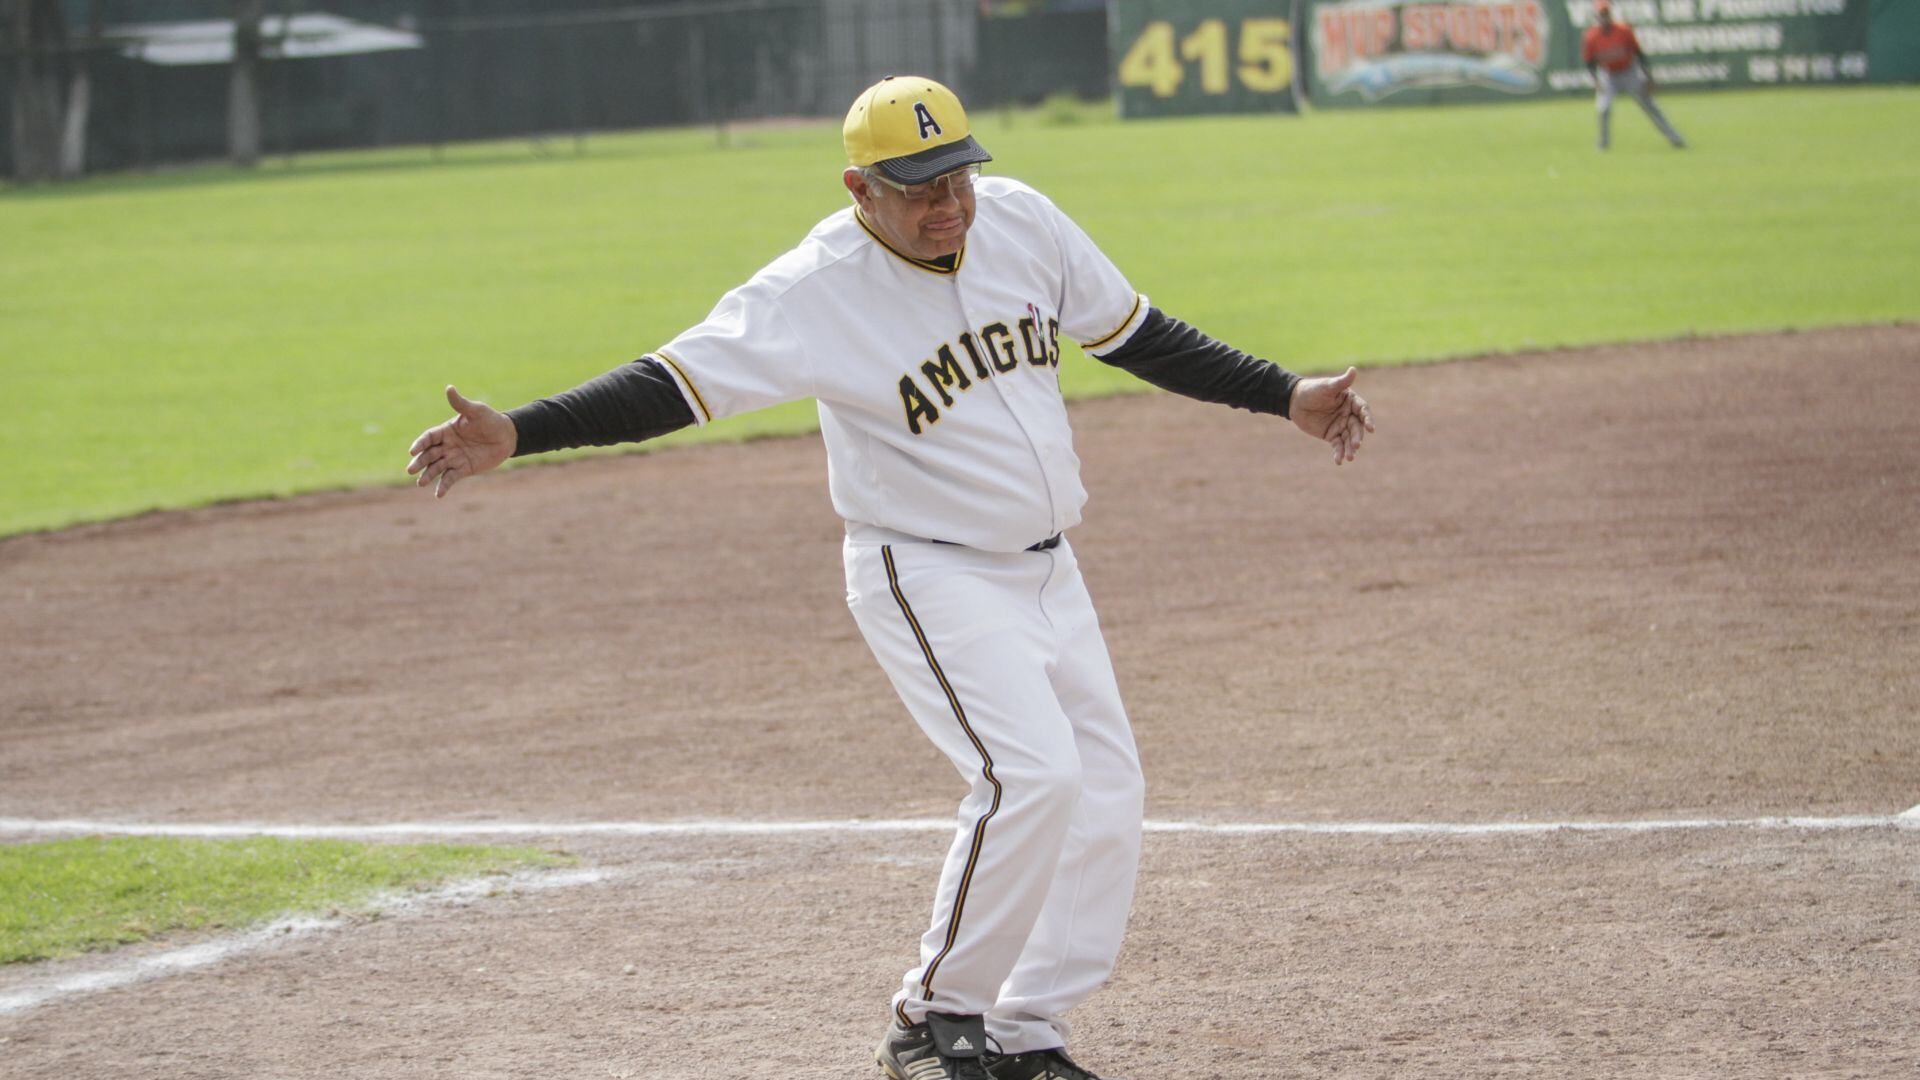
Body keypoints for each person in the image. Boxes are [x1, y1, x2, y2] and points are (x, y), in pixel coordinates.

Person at [406, 75, 1373, 1080]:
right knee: (1030, 776)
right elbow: (670, 384)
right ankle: (929, 1019)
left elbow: (1138, 335)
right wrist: (520, 432)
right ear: (859, 187)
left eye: (956, 175)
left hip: (1051, 569)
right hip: (930, 572)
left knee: (1105, 795)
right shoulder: (811, 292)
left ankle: (1024, 1028)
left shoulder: (1025, 223)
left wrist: (1283, 394)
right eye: (916, 187)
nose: (946, 203)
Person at [1583, 0, 1686, 150]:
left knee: (1649, 105)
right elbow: (1589, 62)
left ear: (1610, 15)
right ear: (1596, 17)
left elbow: (1639, 54)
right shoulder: (1591, 37)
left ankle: (1675, 138)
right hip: (1608, 74)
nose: (1604, 17)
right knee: (1603, 108)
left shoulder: (1624, 31)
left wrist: (1648, 77)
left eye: (1606, 14)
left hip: (1629, 72)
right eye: (1601, 14)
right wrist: (1596, 80)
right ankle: (1603, 144)